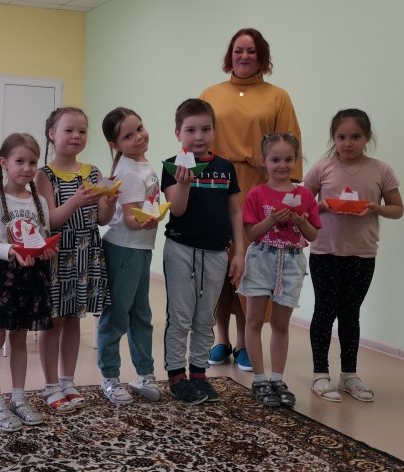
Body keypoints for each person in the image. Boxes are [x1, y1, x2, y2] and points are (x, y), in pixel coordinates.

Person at [200, 28, 301, 371]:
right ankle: (221, 339)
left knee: (249, 267)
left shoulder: (278, 96)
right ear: (230, 55)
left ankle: (244, 342)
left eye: (252, 51)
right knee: (217, 265)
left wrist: (285, 192)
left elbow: (290, 145)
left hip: (257, 187)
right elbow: (196, 137)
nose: (244, 56)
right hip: (216, 184)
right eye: (238, 50)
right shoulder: (211, 93)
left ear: (262, 56)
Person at [303, 109, 402, 402]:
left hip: (362, 254)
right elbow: (303, 207)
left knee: (350, 313)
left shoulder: (381, 170)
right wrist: (322, 206)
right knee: (324, 311)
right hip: (325, 251)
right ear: (333, 138)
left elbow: (397, 208)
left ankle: (349, 375)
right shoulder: (322, 168)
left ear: (367, 138)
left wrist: (376, 208)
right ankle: (320, 373)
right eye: (342, 137)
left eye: (355, 136)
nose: (348, 143)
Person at [162, 98, 244, 404]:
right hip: (180, 249)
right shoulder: (172, 166)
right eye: (191, 130)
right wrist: (184, 182)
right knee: (180, 315)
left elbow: (235, 212)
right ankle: (176, 376)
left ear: (214, 131)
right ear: (178, 133)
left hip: (216, 252)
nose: (199, 136)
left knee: (205, 315)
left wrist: (239, 253)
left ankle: (199, 373)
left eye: (206, 129)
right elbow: (177, 210)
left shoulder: (225, 168)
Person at [35, 107, 116, 414]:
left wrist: (110, 201)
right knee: (54, 321)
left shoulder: (93, 172)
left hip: (86, 251)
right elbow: (50, 220)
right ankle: (50, 384)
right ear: (52, 134)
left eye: (82, 131)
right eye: (68, 130)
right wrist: (76, 200)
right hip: (58, 254)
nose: (76, 136)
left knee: (73, 319)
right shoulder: (44, 175)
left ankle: (68, 381)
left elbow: (102, 218)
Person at [0, 133, 54, 432]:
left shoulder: (40, 202)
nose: (27, 168)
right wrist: (12, 251)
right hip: (4, 277)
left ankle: (18, 398)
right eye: (20, 161)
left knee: (20, 339)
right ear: (4, 163)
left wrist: (46, 250)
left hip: (30, 277)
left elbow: (42, 239)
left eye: (32, 162)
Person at [237, 133, 320, 407]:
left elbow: (313, 235)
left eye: (288, 159)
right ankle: (259, 379)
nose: (282, 165)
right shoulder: (257, 194)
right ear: (264, 161)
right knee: (254, 319)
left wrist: (301, 222)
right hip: (262, 258)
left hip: (292, 261)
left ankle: (277, 378)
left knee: (281, 324)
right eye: (275, 159)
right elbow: (251, 234)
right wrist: (272, 219)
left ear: (296, 160)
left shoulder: (304, 195)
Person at [96, 107, 161, 405]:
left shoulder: (140, 163)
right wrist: (147, 220)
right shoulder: (129, 171)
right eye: (128, 136)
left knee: (141, 314)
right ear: (115, 144)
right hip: (124, 249)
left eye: (140, 128)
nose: (138, 137)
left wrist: (149, 219)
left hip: (140, 249)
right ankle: (110, 376)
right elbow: (132, 220)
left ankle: (145, 373)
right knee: (117, 315)